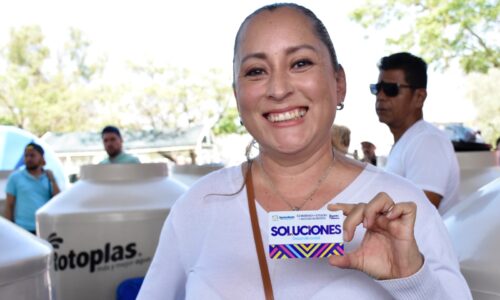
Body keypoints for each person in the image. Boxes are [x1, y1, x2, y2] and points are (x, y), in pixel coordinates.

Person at [138, 4, 471, 299]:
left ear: (338, 83)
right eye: (256, 71)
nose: (279, 89)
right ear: (237, 95)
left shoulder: (402, 207)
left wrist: (411, 280)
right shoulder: (198, 207)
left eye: (300, 63)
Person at [371, 52, 460, 215]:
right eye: (377, 88)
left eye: (391, 89)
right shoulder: (409, 140)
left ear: (419, 97)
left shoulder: (427, 141)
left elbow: (420, 214)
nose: (381, 96)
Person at [4, 142, 60, 234]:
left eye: (32, 155)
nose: (28, 159)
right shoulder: (15, 177)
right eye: (26, 156)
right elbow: (9, 205)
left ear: (41, 158)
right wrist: (8, 230)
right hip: (23, 229)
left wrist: (52, 180)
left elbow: (58, 200)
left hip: (45, 227)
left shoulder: (49, 177)